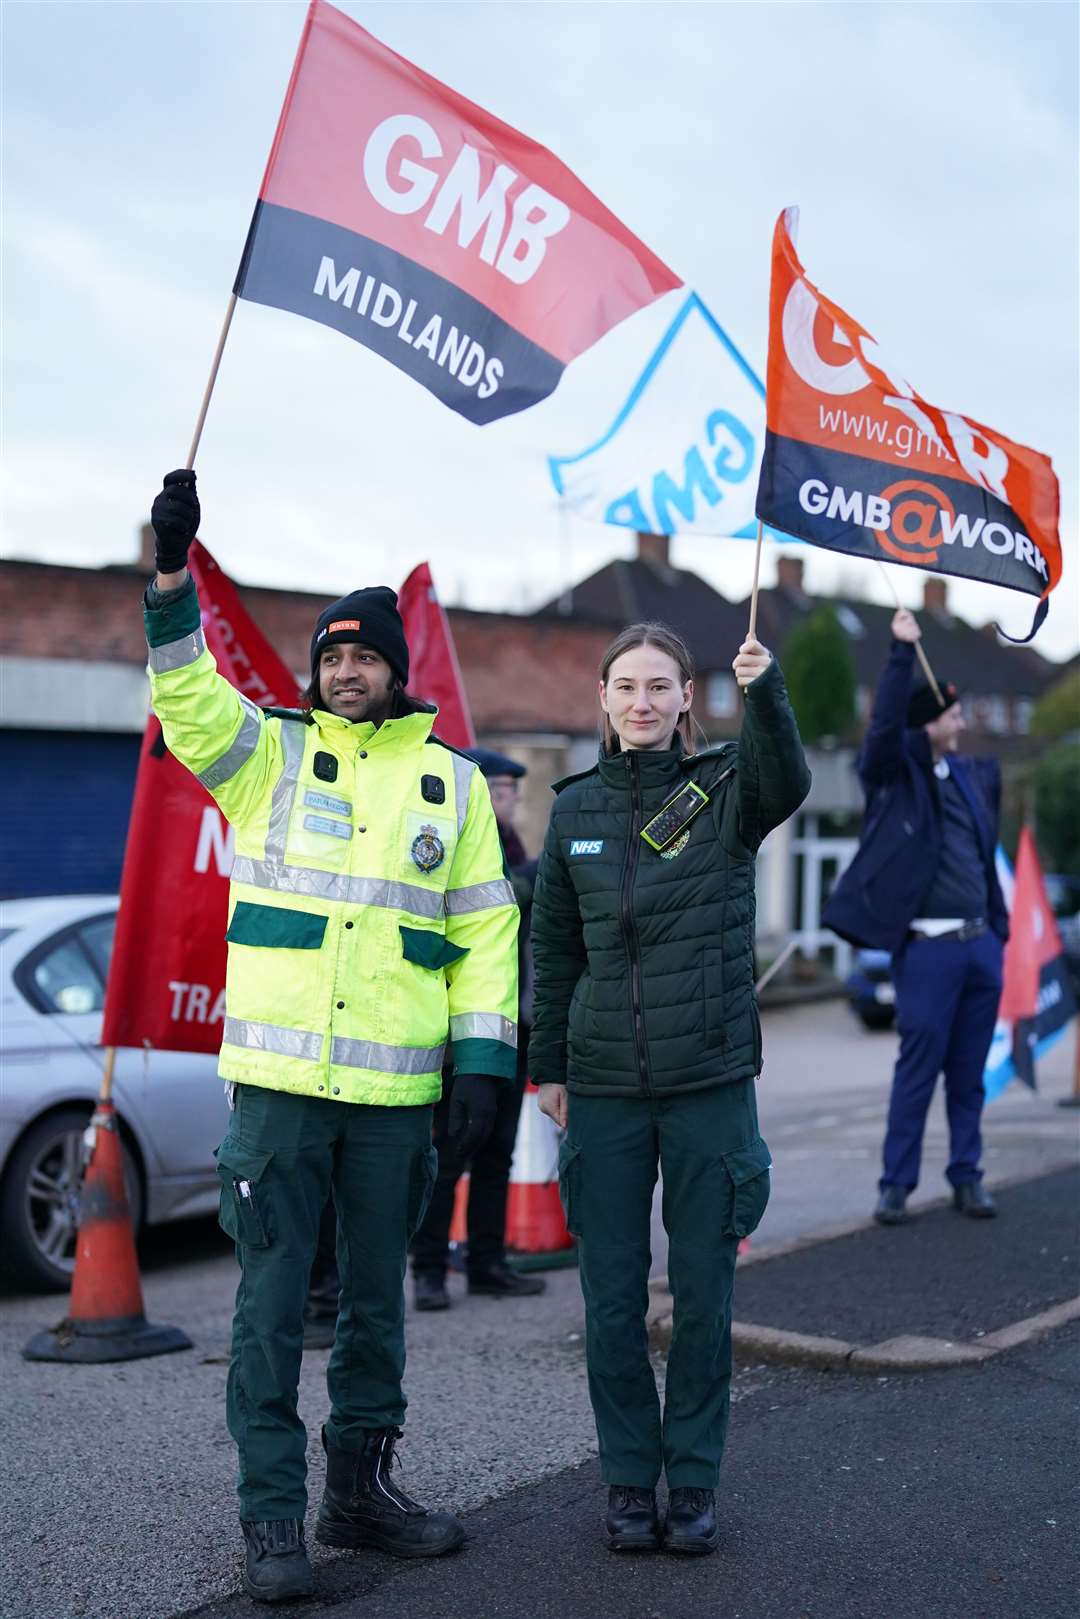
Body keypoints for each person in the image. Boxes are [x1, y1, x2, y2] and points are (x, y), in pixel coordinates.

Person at [144, 470, 519, 1602]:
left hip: (396, 1103)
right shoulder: (265, 755)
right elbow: (188, 698)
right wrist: (169, 578)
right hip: (278, 1091)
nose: (344, 670)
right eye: (331, 656)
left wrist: (486, 1061)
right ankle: (271, 1517)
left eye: (362, 656)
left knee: (377, 1305)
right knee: (266, 1306)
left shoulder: (451, 787)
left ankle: (358, 1489)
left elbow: (485, 931)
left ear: (396, 670)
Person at [528, 620, 809, 1555]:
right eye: (626, 687)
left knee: (702, 1298)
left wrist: (764, 691)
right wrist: (553, 1066)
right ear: (602, 699)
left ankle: (691, 1482)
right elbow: (554, 948)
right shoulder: (571, 812)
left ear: (688, 697)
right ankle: (624, 1480)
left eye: (660, 686)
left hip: (709, 1084)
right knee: (609, 1303)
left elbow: (789, 783)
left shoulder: (727, 788)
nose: (642, 702)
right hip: (603, 1089)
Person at [823, 608, 1007, 1226]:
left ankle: (967, 1177)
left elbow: (984, 861)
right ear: (929, 724)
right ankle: (896, 1185)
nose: (961, 719)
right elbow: (881, 733)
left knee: (969, 1076)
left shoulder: (972, 777)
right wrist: (902, 654)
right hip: (926, 952)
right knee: (917, 1071)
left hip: (980, 948)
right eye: (952, 713)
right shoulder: (896, 776)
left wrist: (999, 937)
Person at [411, 748, 545, 1308]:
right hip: (460, 1034)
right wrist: (539, 879)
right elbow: (503, 902)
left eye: (510, 791)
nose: (502, 800)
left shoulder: (515, 850)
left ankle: (488, 1263)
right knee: (450, 1154)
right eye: (493, 789)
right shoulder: (452, 851)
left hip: (514, 1025)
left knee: (499, 1153)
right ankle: (429, 1271)